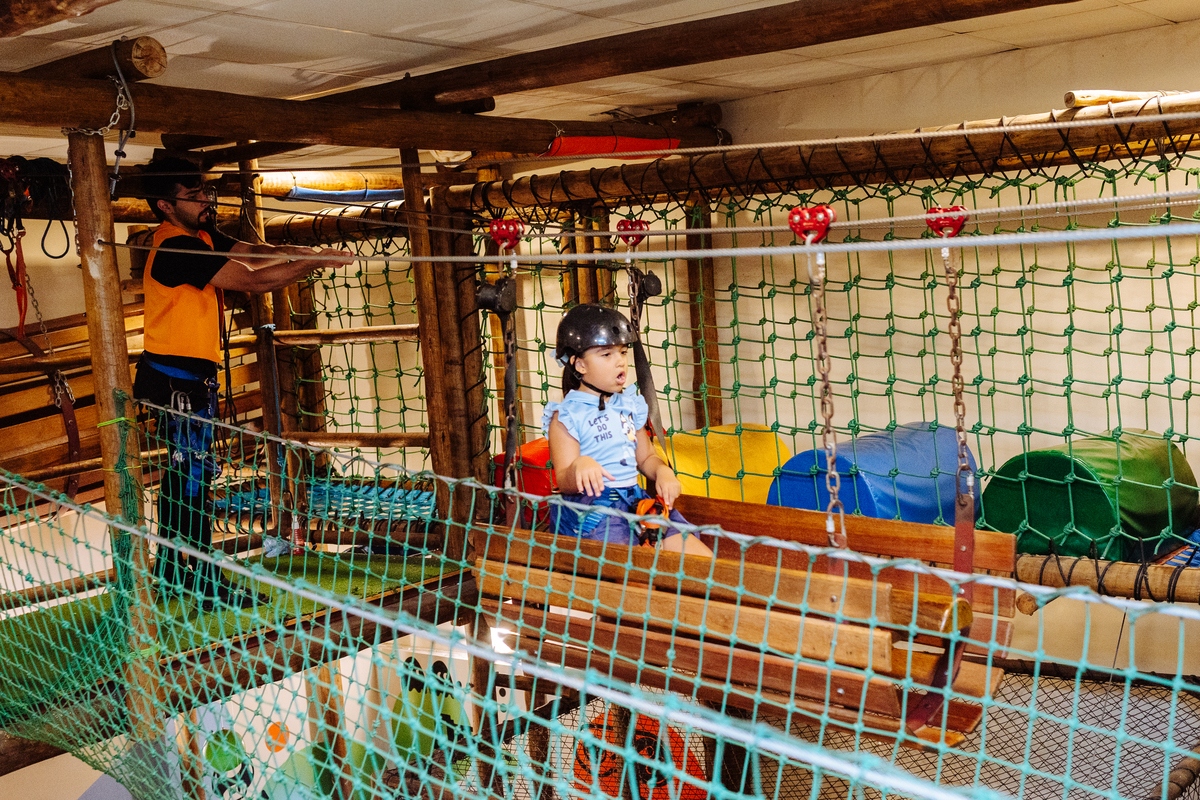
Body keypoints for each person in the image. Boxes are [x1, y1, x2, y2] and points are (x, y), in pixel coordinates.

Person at [133, 157, 355, 609]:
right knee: (190, 480)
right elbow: (254, 281)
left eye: (202, 192)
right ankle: (196, 577)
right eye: (191, 195)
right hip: (175, 382)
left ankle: (178, 573)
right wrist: (312, 264)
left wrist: (305, 255)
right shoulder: (176, 247)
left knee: (188, 478)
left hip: (187, 381)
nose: (203, 200)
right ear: (165, 205)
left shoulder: (198, 235)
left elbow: (251, 252)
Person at [543, 303, 712, 556]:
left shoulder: (629, 404)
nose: (620, 362)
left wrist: (662, 471)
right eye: (606, 354)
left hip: (637, 502)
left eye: (622, 352)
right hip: (595, 511)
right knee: (636, 581)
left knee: (704, 564)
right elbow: (564, 479)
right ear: (579, 365)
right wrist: (579, 466)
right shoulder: (567, 415)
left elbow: (645, 457)